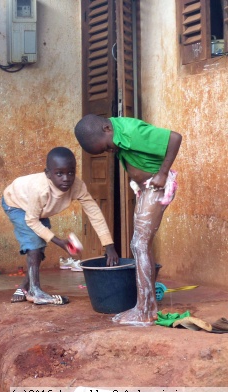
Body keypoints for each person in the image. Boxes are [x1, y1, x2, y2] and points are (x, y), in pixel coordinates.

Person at [74, 114, 182, 326]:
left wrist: (162, 173)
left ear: (107, 128)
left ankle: (145, 309)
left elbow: (175, 138)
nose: (109, 151)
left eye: (106, 147)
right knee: (141, 244)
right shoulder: (117, 135)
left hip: (156, 186)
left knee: (139, 244)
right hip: (146, 188)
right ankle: (146, 305)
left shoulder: (130, 132)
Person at [3, 147, 119, 305]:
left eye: (71, 172)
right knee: (34, 244)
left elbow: (94, 213)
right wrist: (59, 242)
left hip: (37, 210)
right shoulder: (41, 189)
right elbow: (31, 220)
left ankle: (26, 286)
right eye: (59, 173)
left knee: (38, 245)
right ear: (48, 173)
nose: (66, 178)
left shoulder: (77, 186)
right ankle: (35, 292)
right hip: (16, 203)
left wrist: (109, 245)